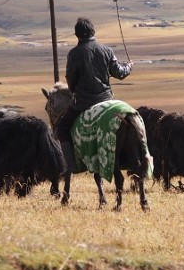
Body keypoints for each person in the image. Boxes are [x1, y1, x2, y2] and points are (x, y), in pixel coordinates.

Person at [55, 17, 133, 174]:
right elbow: (120, 73)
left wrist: (74, 91)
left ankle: (70, 166)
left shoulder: (74, 54)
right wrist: (129, 67)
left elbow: (70, 78)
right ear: (93, 31)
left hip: (83, 103)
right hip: (106, 100)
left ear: (76, 35)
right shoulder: (107, 50)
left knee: (61, 128)